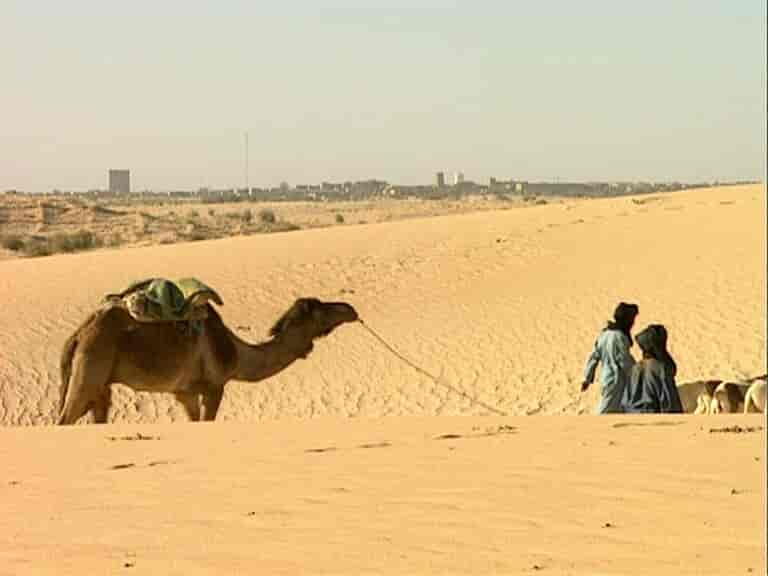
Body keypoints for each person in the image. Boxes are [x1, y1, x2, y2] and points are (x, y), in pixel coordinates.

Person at [581, 302, 639, 413]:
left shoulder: (604, 334)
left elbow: (594, 357)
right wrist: (637, 374)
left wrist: (587, 378)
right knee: (606, 410)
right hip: (616, 380)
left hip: (606, 377)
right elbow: (624, 360)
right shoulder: (619, 337)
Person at [622, 324, 683, 413]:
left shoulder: (634, 369)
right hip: (654, 419)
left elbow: (625, 402)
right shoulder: (661, 369)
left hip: (632, 417)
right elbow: (670, 404)